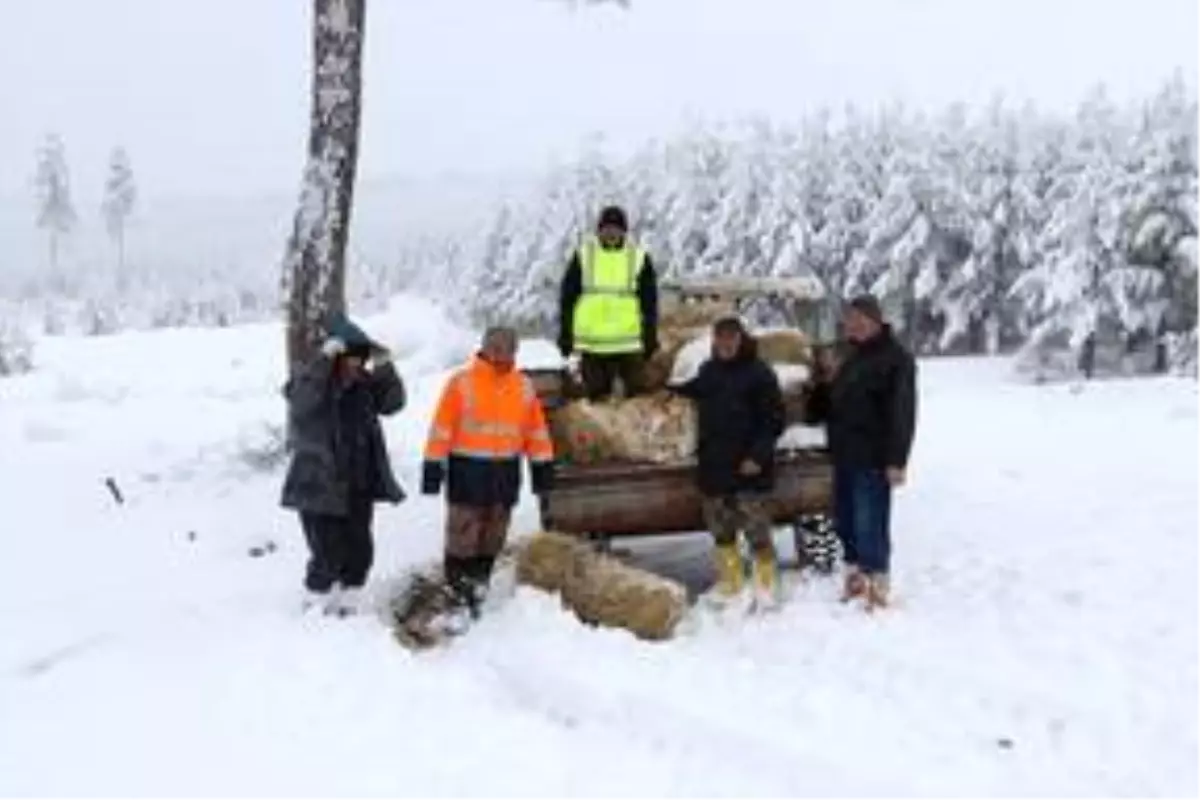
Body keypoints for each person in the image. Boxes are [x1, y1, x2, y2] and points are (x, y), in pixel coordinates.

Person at [422, 327, 555, 627]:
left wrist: (542, 469)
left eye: (507, 349)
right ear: (484, 348)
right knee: (462, 538)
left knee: (493, 537)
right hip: (467, 473)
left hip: (504, 475)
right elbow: (441, 428)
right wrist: (433, 466)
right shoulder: (461, 384)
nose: (501, 355)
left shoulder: (523, 387)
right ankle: (457, 594)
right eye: (495, 348)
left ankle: (479, 586)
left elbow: (536, 432)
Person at [280, 315, 407, 616]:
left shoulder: (364, 385)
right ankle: (315, 600)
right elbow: (302, 401)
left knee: (359, 548)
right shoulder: (311, 380)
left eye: (361, 358)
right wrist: (323, 360)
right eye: (350, 357)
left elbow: (392, 403)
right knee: (326, 550)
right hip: (318, 482)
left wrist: (386, 365)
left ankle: (350, 598)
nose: (357, 364)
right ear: (336, 356)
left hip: (358, 480)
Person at [805, 295, 917, 611]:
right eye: (849, 320)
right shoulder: (850, 358)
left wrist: (897, 460)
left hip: (874, 456)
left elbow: (903, 412)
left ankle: (877, 584)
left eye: (860, 319)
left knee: (871, 522)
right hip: (844, 454)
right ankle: (854, 577)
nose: (853, 325)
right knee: (846, 521)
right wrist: (821, 384)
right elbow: (824, 408)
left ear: (877, 320)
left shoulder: (897, 359)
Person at [671, 316, 786, 609]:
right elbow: (694, 390)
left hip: (749, 466)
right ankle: (731, 581)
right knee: (721, 529)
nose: (725, 343)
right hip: (715, 466)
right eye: (720, 338)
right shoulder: (709, 370)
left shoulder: (760, 373)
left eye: (731, 338)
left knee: (757, 528)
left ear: (741, 339)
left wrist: (757, 456)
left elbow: (774, 420)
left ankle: (767, 583)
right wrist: (668, 392)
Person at [558, 205, 660, 400]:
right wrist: (566, 334)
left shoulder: (638, 257)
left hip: (629, 344)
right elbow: (567, 299)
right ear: (599, 230)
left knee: (636, 404)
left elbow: (650, 302)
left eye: (616, 228)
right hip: (592, 346)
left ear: (624, 231)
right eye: (607, 228)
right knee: (595, 404)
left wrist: (650, 335)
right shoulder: (584, 256)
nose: (611, 232)